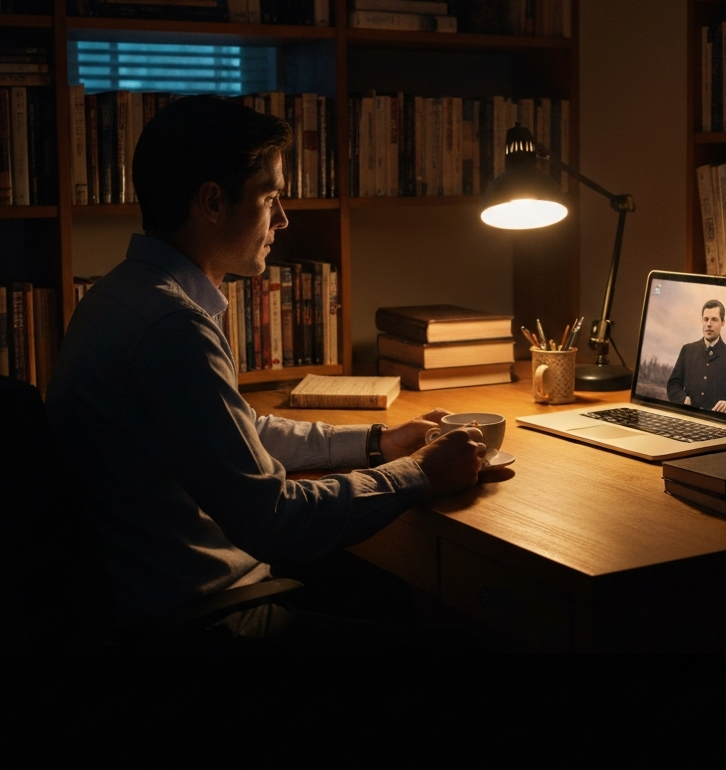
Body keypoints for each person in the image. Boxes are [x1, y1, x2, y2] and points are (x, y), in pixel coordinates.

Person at [46, 95, 509, 649]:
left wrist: (379, 442)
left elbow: (235, 432)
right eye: (270, 198)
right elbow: (275, 521)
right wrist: (420, 474)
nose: (283, 219)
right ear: (212, 202)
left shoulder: (121, 294)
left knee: (390, 594)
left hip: (163, 593)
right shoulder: (172, 328)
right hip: (202, 619)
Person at [666, 299, 726, 416]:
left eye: (714, 319)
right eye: (706, 319)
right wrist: (683, 399)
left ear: (723, 322)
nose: (709, 324)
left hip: (718, 423)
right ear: (702, 321)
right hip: (688, 419)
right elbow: (673, 384)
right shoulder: (687, 350)